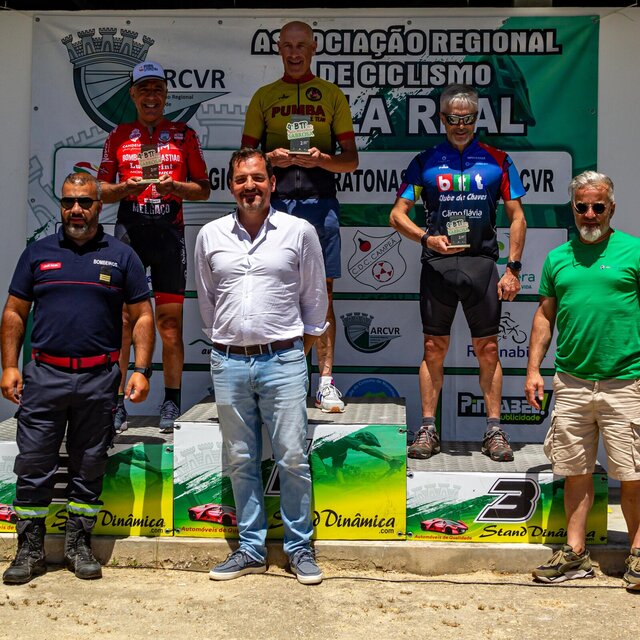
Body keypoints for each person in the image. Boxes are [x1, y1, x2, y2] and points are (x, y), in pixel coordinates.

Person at [1, 173, 154, 584]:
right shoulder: (38, 253)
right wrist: (10, 366)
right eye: (68, 202)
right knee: (34, 465)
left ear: (99, 205)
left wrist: (140, 369)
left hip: (99, 378)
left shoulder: (121, 256)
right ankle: (29, 551)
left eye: (84, 202)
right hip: (44, 376)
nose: (76, 210)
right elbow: (14, 311)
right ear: (61, 205)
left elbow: (142, 316)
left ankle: (78, 546)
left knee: (89, 465)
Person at [195, 148, 328, 585]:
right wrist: (228, 342)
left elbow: (315, 301)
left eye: (257, 178)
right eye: (240, 179)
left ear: (272, 182)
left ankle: (299, 548)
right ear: (230, 186)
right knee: (241, 459)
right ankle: (250, 550)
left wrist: (295, 352)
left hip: (284, 360)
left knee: (292, 458)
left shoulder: (299, 231)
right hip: (228, 362)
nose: (249, 186)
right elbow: (208, 302)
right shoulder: (210, 235)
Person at [389, 83, 526, 462]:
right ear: (442, 119)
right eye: (453, 119)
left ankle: (494, 429)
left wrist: (513, 268)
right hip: (438, 264)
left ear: (476, 119)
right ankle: (428, 429)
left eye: (467, 119)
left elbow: (517, 216)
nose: (461, 126)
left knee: (489, 348)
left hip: (482, 263)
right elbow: (397, 215)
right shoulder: (426, 161)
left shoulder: (498, 160)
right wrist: (425, 238)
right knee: (433, 348)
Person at [525, 171, 640, 590]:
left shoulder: (634, 251)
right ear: (572, 208)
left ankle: (638, 554)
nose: (590, 214)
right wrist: (534, 369)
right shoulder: (557, 258)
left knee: (633, 474)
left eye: (598, 206)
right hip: (571, 382)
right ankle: (574, 555)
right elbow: (544, 315)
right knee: (575, 472)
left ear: (612, 208)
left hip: (626, 381)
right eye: (582, 206)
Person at [241, 21, 358, 413]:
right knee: (271, 290)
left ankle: (325, 383)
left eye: (301, 46)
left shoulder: (331, 95)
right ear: (278, 49)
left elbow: (351, 161)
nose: (294, 53)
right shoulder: (264, 96)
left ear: (313, 47)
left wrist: (323, 160)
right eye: (288, 46)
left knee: (323, 295)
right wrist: (268, 159)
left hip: (320, 204)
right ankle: (279, 378)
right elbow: (243, 160)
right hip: (273, 208)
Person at [99, 60, 211, 433]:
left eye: (158, 89)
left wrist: (176, 187)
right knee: (123, 322)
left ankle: (171, 401)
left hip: (168, 234)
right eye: (144, 89)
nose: (151, 96)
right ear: (132, 94)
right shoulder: (118, 135)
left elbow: (203, 188)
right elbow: (100, 190)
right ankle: (116, 404)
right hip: (129, 234)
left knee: (170, 325)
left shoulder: (183, 134)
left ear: (166, 95)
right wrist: (124, 188)